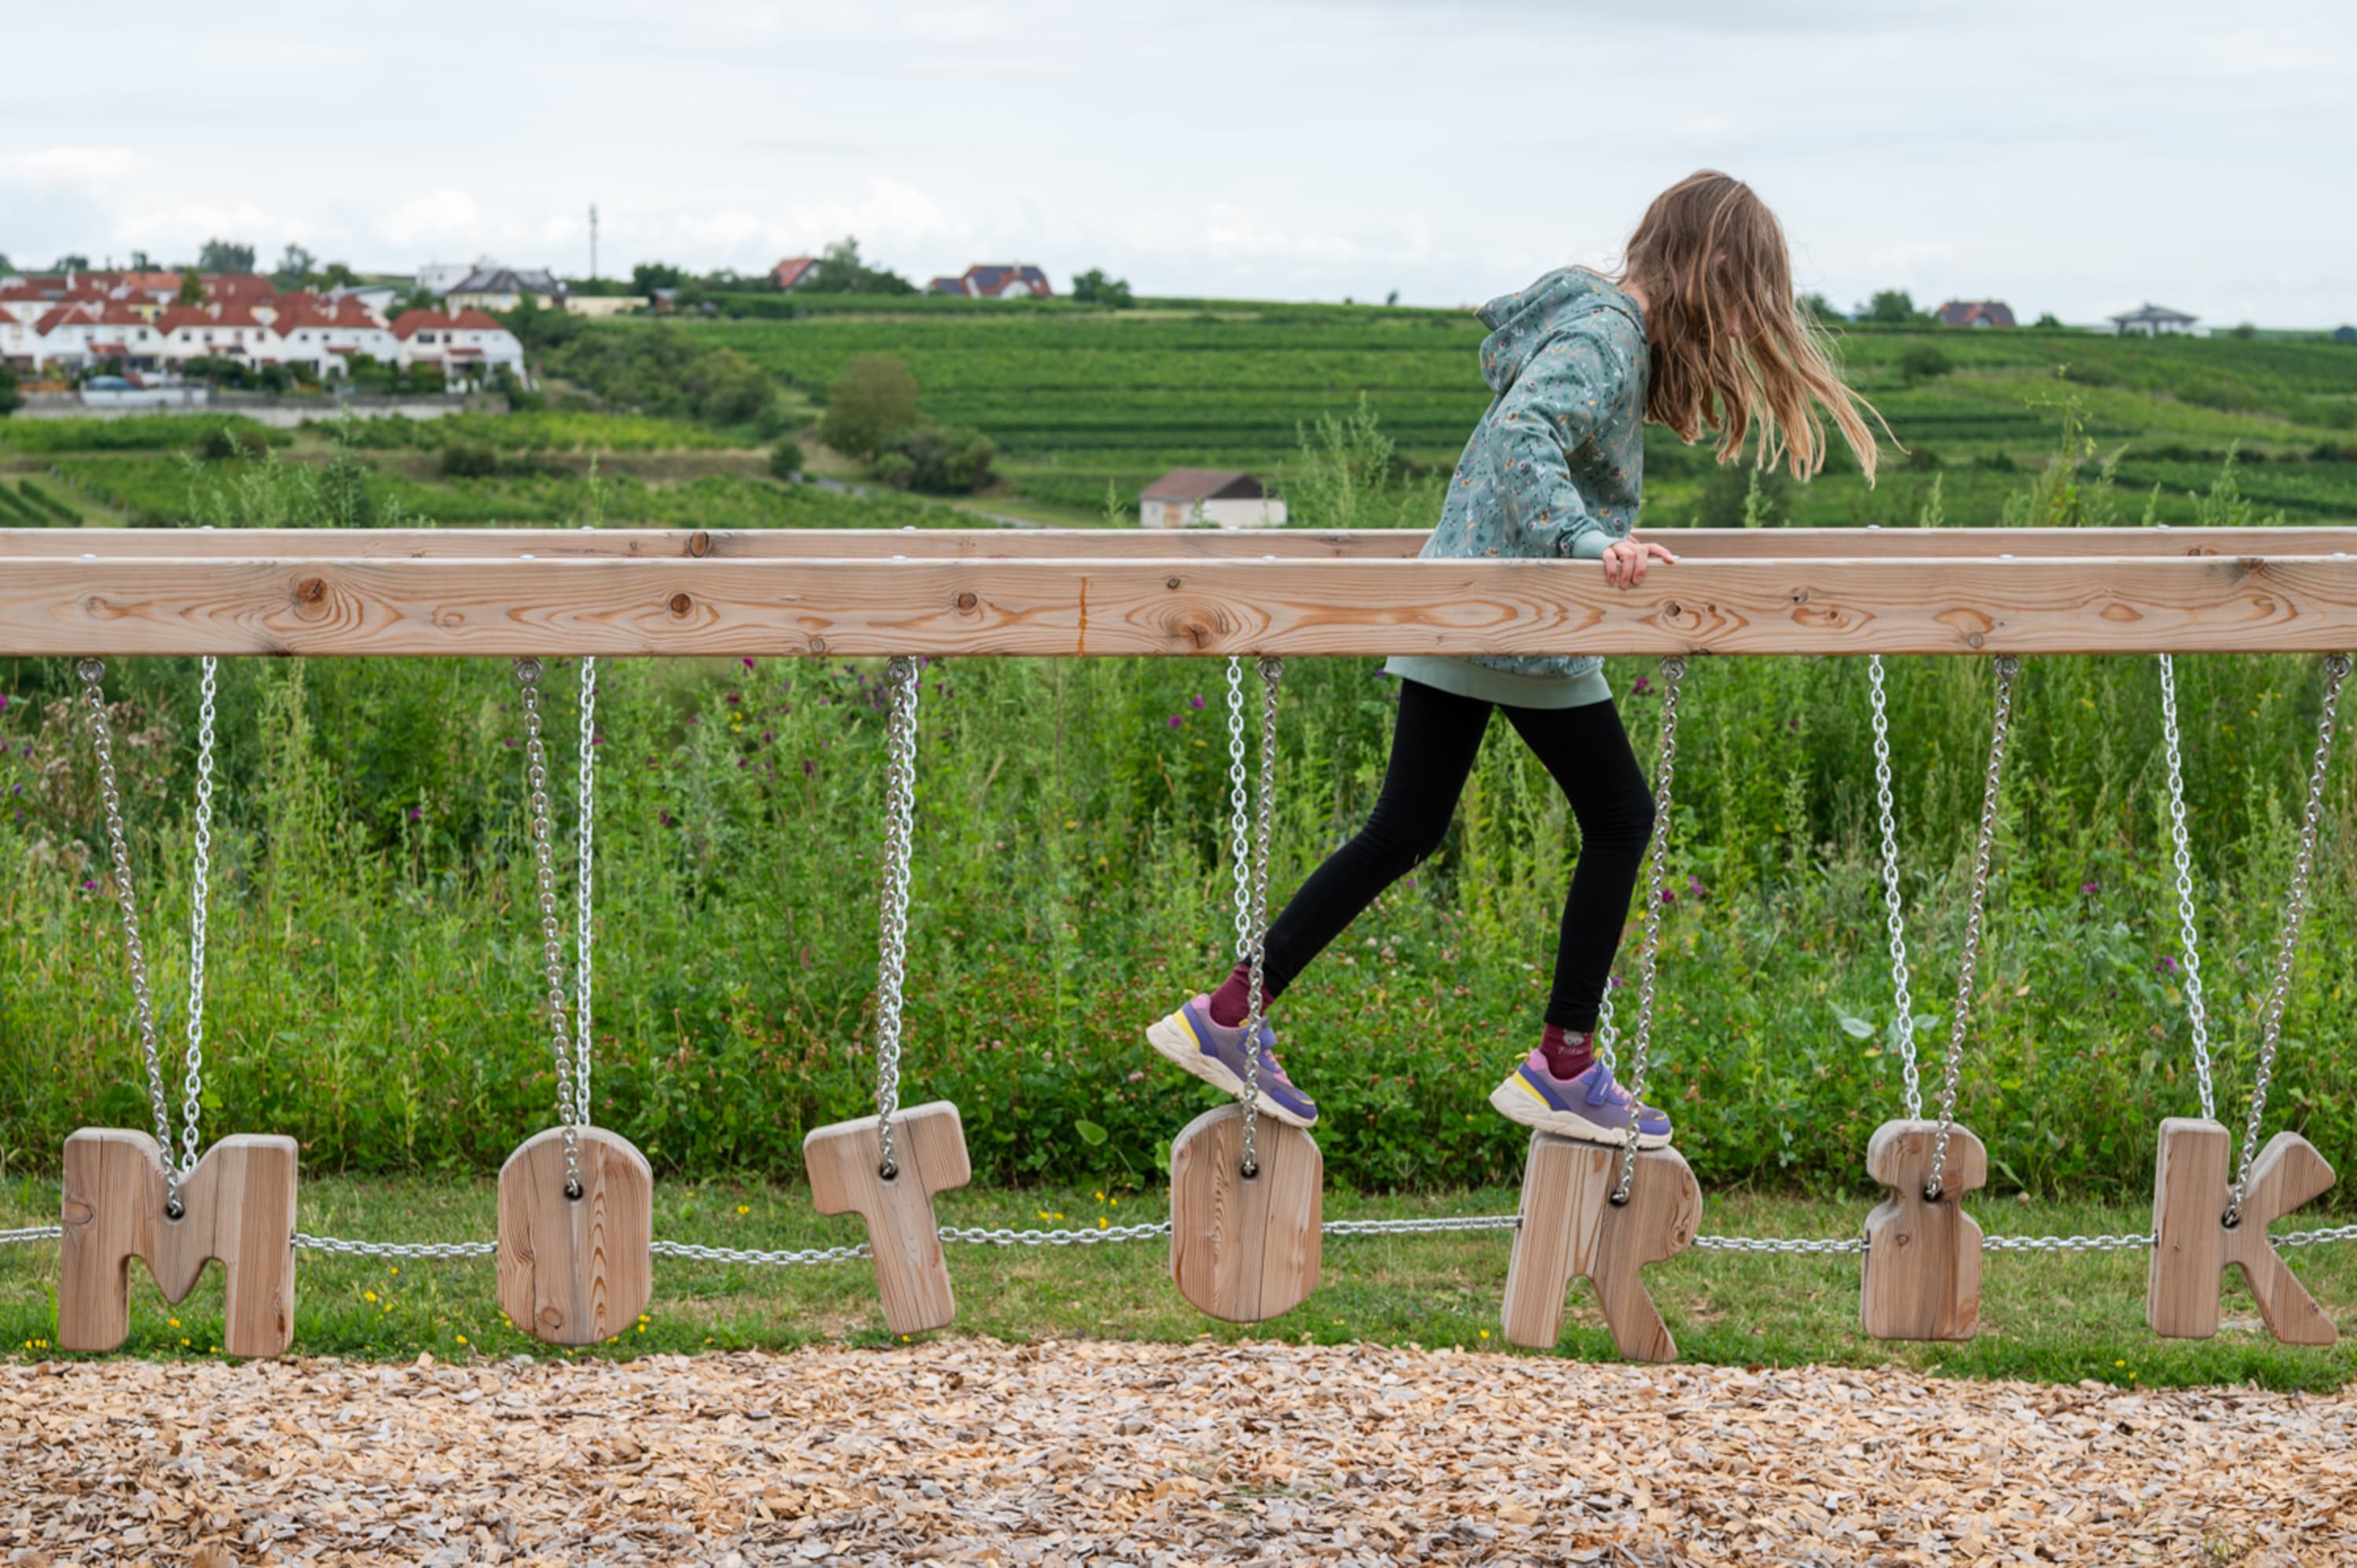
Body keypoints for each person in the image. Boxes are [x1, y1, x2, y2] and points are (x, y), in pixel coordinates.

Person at [1146, 170, 1881, 1147]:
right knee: (1620, 816)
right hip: (1517, 615)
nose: (1745, 328)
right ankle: (1563, 1063)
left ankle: (1231, 1011)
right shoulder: (1607, 337)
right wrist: (1588, 541)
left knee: (1405, 828)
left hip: (1473, 606)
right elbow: (1521, 432)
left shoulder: (1600, 322)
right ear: (1711, 267)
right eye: (1746, 300)